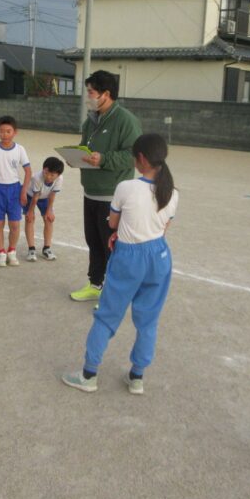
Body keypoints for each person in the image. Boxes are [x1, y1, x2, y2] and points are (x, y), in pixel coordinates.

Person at [62, 133, 178, 395]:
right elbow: (163, 228)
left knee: (107, 316)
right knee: (148, 321)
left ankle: (89, 375)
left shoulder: (126, 187)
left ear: (141, 158)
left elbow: (113, 223)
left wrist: (122, 232)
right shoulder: (172, 192)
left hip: (129, 257)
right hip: (159, 256)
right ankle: (137, 377)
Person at [69, 70, 142, 304]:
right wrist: (75, 157)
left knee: (111, 246)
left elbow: (133, 155)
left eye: (91, 92)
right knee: (93, 242)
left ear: (106, 94)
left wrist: (103, 159)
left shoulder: (126, 120)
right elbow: (84, 148)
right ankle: (95, 284)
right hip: (90, 191)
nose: (88, 96)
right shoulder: (90, 121)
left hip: (112, 196)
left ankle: (114, 294)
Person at [0, 116, 31, 267]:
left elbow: (28, 171)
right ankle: (1, 252)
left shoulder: (20, 149)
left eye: (8, 131)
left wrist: (23, 190)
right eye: (1, 131)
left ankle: (12, 251)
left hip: (14, 189)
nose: (4, 134)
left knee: (14, 224)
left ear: (15, 132)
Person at [24, 156, 64, 262]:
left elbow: (52, 195)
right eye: (46, 173)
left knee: (48, 219)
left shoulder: (60, 179)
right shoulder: (37, 178)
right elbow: (35, 197)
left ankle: (47, 248)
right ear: (43, 169)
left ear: (58, 175)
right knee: (30, 219)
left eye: (52, 175)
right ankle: (31, 249)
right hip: (30, 196)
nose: (48, 177)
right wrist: (30, 212)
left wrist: (49, 211)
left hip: (45, 197)